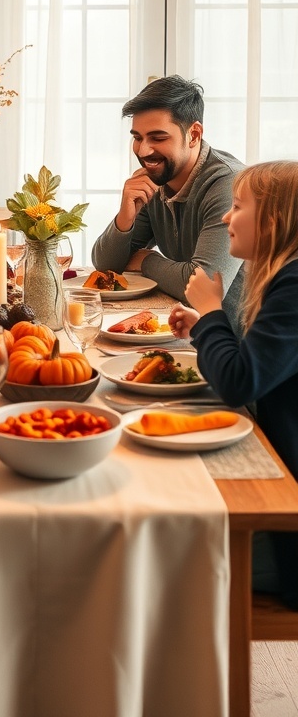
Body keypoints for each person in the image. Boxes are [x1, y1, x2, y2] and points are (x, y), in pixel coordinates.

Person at [168, 160, 298, 608]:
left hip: (289, 516)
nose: (226, 216)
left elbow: (238, 383)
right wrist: (206, 324)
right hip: (282, 466)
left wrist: (209, 312)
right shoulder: (284, 278)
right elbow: (250, 361)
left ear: (272, 222)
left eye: (238, 206)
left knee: (179, 546)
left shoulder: (294, 287)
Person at [91, 74, 245, 331]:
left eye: (158, 138)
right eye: (137, 137)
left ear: (193, 134)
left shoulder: (229, 185)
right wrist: (125, 218)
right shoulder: (157, 180)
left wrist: (146, 261)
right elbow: (106, 266)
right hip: (192, 332)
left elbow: (203, 287)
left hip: (241, 349)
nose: (143, 151)